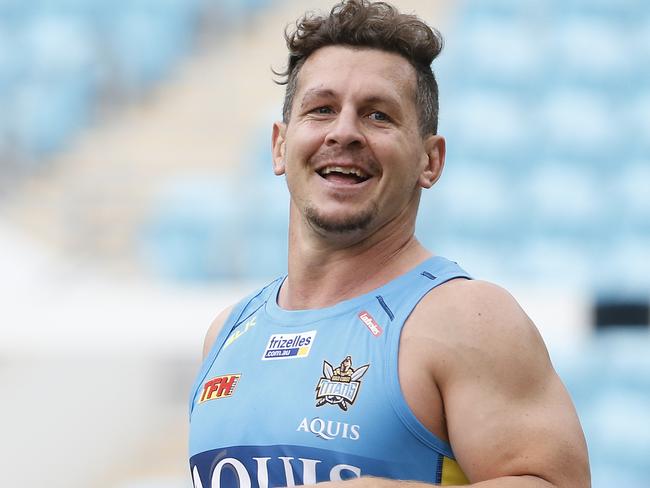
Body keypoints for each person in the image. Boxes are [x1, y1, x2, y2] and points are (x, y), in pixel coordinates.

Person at [188, 1, 591, 486]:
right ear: (280, 144)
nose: (344, 132)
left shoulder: (468, 318)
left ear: (430, 160)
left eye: (378, 115)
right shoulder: (229, 332)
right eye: (322, 109)